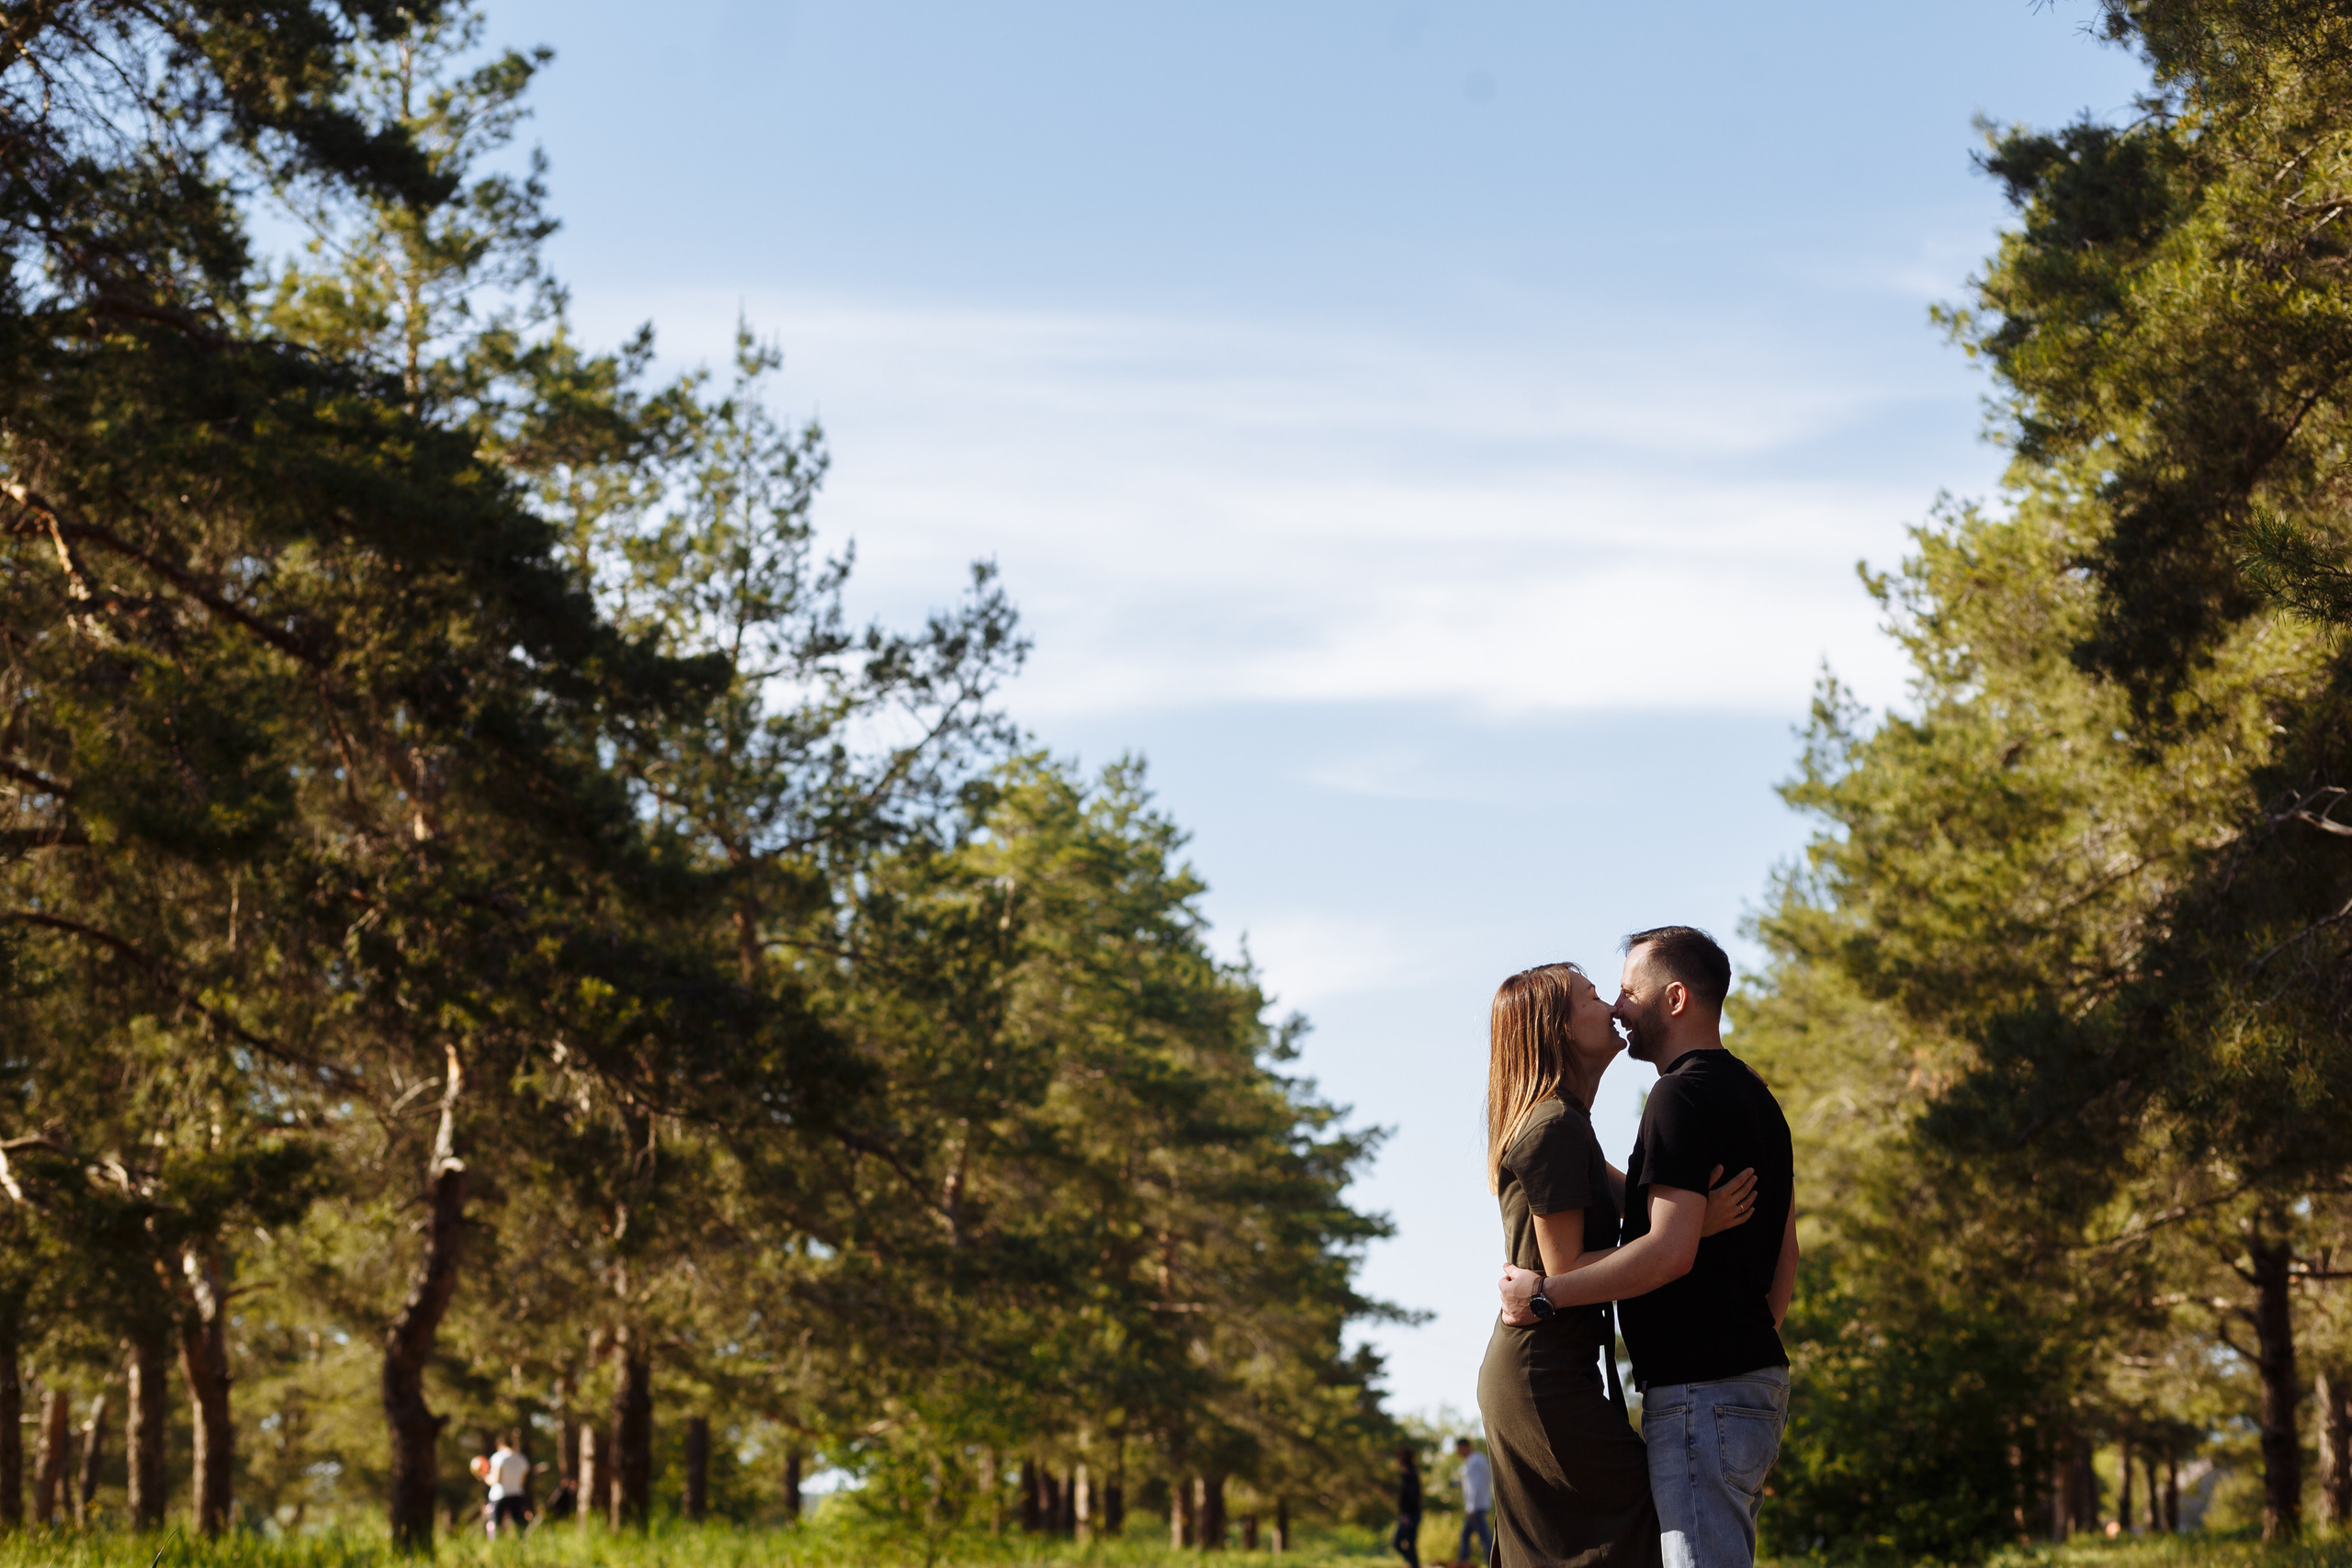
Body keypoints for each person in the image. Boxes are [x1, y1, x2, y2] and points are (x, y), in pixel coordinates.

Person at [1499, 928, 1798, 1568]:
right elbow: (1785, 1248)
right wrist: (1748, 1339)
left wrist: (1545, 1294)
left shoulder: (1677, 1096)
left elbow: (1667, 1252)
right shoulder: (1759, 1097)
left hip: (1701, 1387)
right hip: (1749, 1382)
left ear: (1677, 997)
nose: (1618, 1006)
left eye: (1630, 991)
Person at [1453, 1437, 1493, 1567]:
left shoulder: (1474, 1461)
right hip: (1479, 1505)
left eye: (1459, 1449)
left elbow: (1475, 1487)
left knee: (1484, 1538)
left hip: (1476, 1507)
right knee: (1467, 1536)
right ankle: (1464, 1562)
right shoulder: (1476, 1459)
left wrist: (1471, 1508)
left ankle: (1493, 1563)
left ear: (1465, 1447)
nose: (1458, 1452)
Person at [484, 1432, 531, 1538]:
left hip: (499, 1496)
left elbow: (495, 1479)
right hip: (517, 1495)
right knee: (520, 1526)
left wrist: (484, 1477)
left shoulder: (498, 1457)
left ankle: (497, 1548)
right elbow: (522, 1482)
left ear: (500, 1444)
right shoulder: (522, 1459)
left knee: (496, 1526)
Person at [1394, 1446, 1424, 1568]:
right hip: (1410, 1513)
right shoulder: (1407, 1474)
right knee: (1410, 1544)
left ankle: (1414, 1564)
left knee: (1398, 1542)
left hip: (1411, 1514)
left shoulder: (1410, 1475)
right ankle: (1414, 1565)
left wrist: (1406, 1514)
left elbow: (1412, 1497)